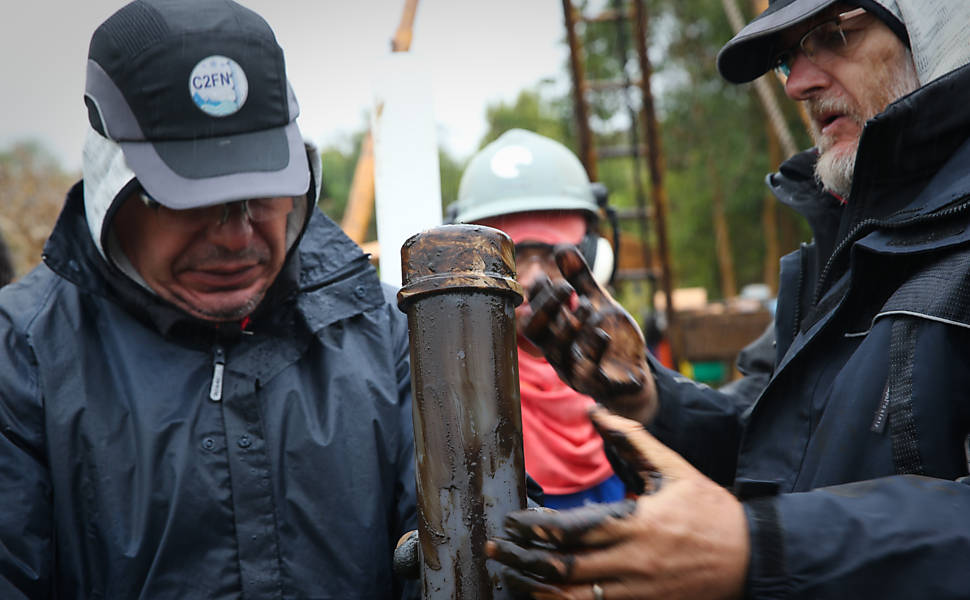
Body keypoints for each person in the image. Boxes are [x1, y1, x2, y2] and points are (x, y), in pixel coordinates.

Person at [486, 1, 970, 598]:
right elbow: (783, 455)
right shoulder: (834, 256)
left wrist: (760, 545)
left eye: (832, 35)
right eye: (789, 57)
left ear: (939, 27)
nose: (797, 83)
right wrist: (649, 398)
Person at [0, 1, 416, 598]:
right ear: (110, 185)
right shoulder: (22, 360)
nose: (237, 235)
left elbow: (479, 557)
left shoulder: (392, 333)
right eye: (190, 200)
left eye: (264, 194)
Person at [450, 129, 627, 509]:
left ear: (594, 258)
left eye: (553, 254)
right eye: (510, 256)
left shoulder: (630, 378)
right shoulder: (449, 398)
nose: (531, 278)